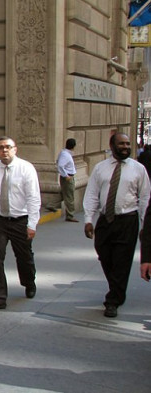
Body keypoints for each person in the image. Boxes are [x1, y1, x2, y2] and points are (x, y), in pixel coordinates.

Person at [83, 132, 150, 318]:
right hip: (105, 220)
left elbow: (145, 197)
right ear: (112, 145)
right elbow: (92, 194)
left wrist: (144, 224)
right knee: (104, 255)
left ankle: (113, 299)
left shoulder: (138, 169)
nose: (125, 147)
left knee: (122, 260)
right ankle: (116, 288)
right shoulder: (100, 168)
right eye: (121, 144)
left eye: (128, 144)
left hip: (127, 220)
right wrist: (89, 219)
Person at [0, 136, 41, 311]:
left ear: (15, 149)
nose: (4, 150)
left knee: (24, 257)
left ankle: (29, 281)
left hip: (20, 220)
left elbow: (33, 198)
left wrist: (32, 224)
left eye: (7, 147)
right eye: (0, 148)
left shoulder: (26, 168)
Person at [47, 138, 78, 222]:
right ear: (73, 146)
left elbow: (58, 162)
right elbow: (60, 165)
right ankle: (70, 215)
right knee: (69, 196)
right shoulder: (65, 155)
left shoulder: (64, 153)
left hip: (67, 176)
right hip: (68, 177)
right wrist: (66, 175)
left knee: (63, 194)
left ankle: (51, 205)